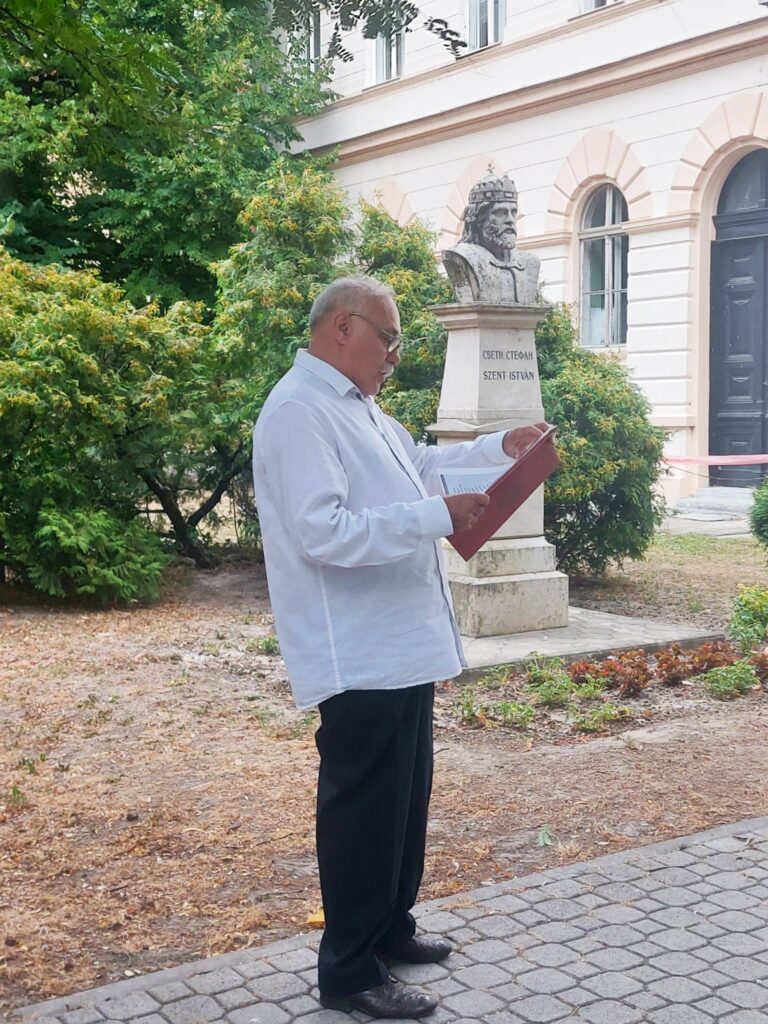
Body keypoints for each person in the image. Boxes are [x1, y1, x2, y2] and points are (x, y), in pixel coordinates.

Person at [252, 276, 546, 1019]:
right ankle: (350, 971)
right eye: (389, 339)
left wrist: (497, 448)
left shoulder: (357, 407)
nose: (395, 356)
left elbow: (417, 467)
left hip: (400, 645)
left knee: (403, 805)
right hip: (358, 651)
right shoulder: (299, 412)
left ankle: (389, 926)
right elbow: (323, 533)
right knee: (363, 814)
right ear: (343, 328)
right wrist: (434, 516)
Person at [443, 171, 541, 305]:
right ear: (479, 219)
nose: (510, 220)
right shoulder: (463, 256)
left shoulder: (530, 263)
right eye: (501, 213)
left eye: (513, 212)